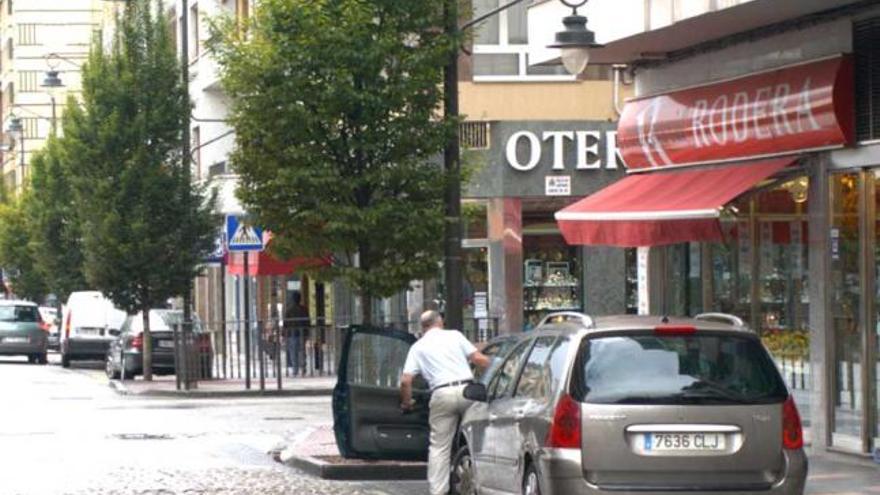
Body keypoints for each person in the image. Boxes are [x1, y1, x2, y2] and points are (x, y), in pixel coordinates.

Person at [399, 310, 490, 495]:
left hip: (441, 394)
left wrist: (407, 403)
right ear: (440, 322)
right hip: (468, 392)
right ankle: (480, 484)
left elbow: (405, 381)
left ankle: (438, 491)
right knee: (476, 440)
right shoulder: (455, 336)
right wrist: (503, 369)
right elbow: (479, 360)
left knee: (439, 447)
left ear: (423, 327)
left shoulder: (418, 347)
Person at [284, 291, 309, 374]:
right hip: (302, 333)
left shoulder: (289, 310)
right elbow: (307, 322)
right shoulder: (304, 309)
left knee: (293, 351)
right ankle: (303, 366)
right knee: (302, 350)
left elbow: (285, 323)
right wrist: (307, 332)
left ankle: (295, 369)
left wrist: (284, 334)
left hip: (292, 334)